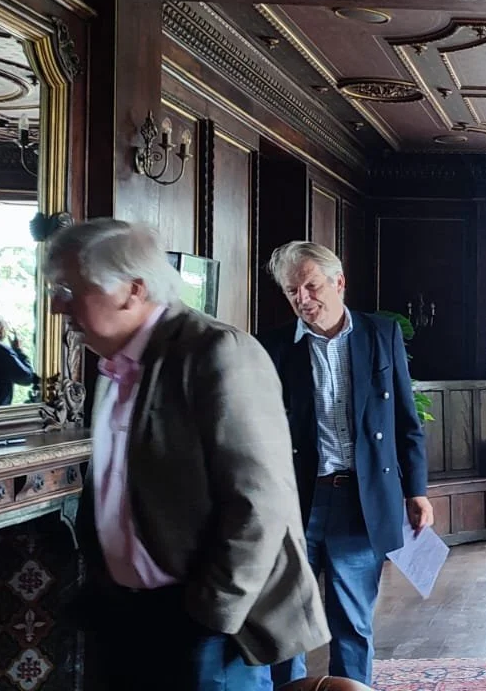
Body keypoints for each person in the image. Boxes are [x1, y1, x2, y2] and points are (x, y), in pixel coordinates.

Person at [45, 219, 326, 691]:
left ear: (132, 290)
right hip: (125, 618)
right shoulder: (115, 364)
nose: (57, 305)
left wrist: (209, 616)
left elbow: (260, 504)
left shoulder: (218, 351)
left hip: (202, 630)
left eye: (71, 290)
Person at [259, 241, 433, 685]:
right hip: (295, 503)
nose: (303, 299)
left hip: (360, 499)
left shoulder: (380, 335)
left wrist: (417, 491)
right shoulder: (273, 348)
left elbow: (406, 423)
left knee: (352, 624)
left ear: (338, 282)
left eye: (311, 286)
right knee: (285, 624)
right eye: (292, 291)